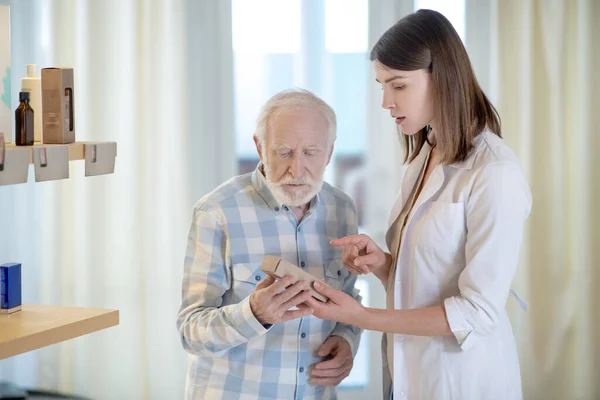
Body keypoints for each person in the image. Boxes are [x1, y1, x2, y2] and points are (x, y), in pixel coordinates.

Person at [303, 9, 532, 400]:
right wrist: (384, 264)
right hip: (407, 375)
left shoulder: (495, 173)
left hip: (460, 381)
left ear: (441, 76)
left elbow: (477, 312)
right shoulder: (426, 154)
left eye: (398, 86)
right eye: (381, 86)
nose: (385, 102)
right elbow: (428, 280)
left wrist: (361, 317)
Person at [176, 88, 363, 400]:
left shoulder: (342, 210)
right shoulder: (217, 212)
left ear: (329, 152)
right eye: (284, 152)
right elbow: (190, 331)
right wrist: (253, 313)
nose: (297, 169)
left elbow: (347, 295)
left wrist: (346, 339)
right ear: (260, 147)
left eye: (311, 153)